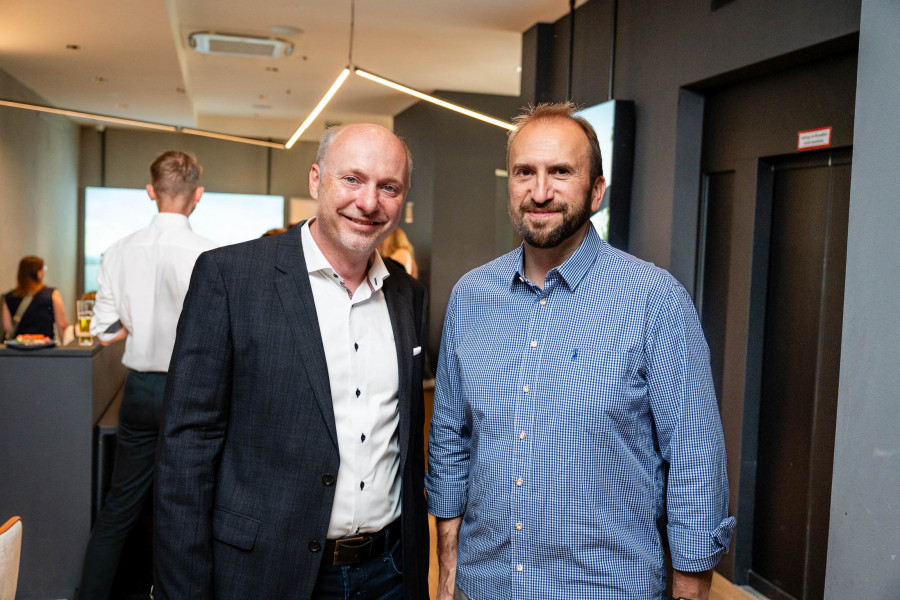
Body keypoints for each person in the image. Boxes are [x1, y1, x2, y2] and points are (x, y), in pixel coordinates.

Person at [426, 102, 735, 600]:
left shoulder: (654, 301)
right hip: (485, 585)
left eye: (561, 172)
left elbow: (695, 460)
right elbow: (449, 437)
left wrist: (690, 588)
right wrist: (448, 567)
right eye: (524, 172)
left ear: (596, 190)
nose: (539, 191)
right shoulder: (471, 297)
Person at [154, 124, 429, 600]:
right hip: (267, 574)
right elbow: (187, 451)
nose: (368, 202)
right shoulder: (231, 277)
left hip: (389, 573)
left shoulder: (408, 294)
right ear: (315, 180)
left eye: (389, 187)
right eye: (352, 179)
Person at [77, 151, 217, 600]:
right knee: (191, 508)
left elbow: (104, 331)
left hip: (139, 389)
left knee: (120, 506)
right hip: (193, 392)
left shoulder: (118, 250)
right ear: (198, 194)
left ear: (150, 191)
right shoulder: (210, 254)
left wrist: (136, 324)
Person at [2, 256, 68, 341]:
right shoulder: (52, 294)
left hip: (19, 346)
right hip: (45, 345)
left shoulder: (8, 297)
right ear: (38, 273)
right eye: (43, 268)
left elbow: (8, 328)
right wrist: (65, 344)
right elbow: (62, 325)